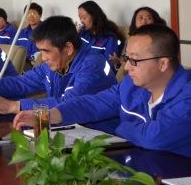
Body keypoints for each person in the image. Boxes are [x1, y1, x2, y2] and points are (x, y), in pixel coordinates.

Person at [13, 24, 191, 158]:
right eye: (126, 58)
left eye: (134, 61)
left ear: (163, 64)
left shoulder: (187, 95)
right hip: (140, 169)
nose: (127, 67)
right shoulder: (131, 85)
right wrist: (50, 115)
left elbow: (154, 138)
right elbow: (93, 103)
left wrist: (120, 127)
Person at [0, 16, 117, 114]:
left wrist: (14, 106)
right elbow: (22, 82)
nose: (43, 57)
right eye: (40, 51)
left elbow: (68, 104)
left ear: (68, 48)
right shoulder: (55, 63)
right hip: (67, 131)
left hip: (100, 137)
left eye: (46, 51)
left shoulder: (92, 66)